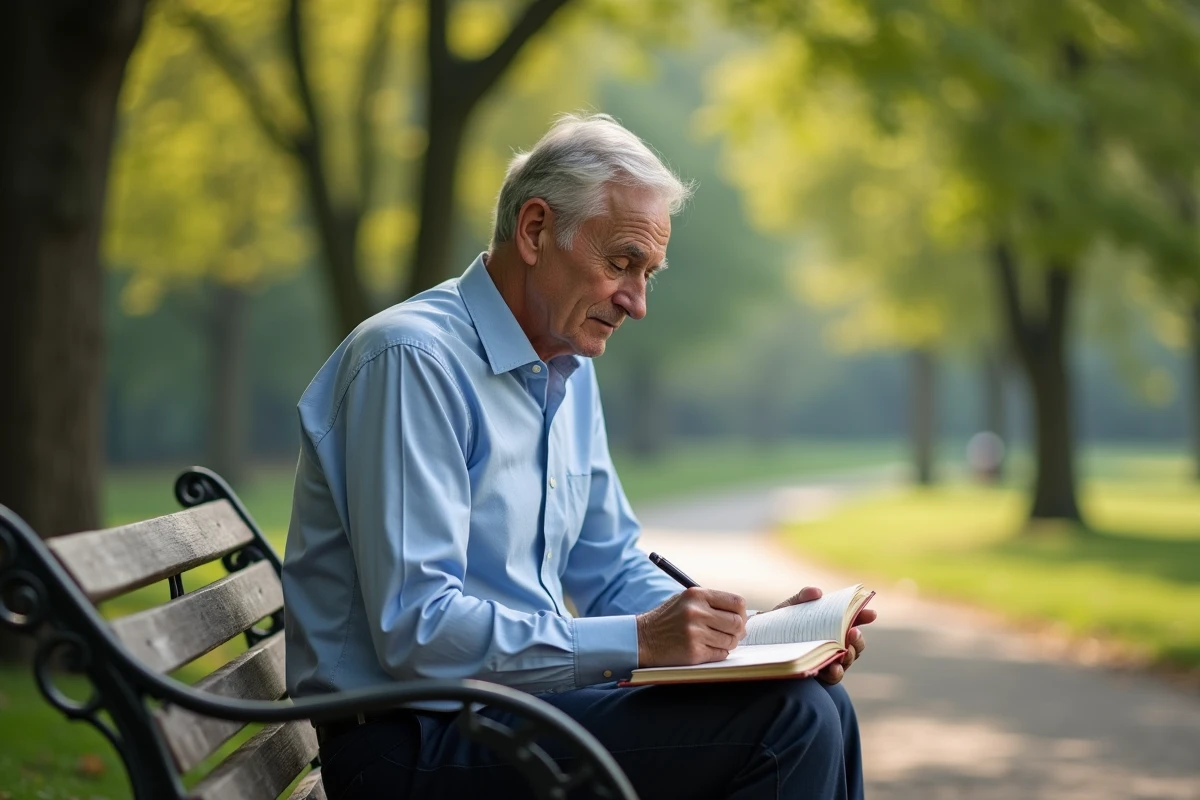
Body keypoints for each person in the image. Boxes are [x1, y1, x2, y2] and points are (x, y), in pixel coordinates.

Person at [282, 112, 874, 799]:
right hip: (405, 747)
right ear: (535, 230)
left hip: (508, 719)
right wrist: (641, 643)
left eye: (648, 272)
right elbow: (418, 630)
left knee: (820, 703)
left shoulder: (567, 364)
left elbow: (611, 567)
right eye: (621, 263)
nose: (638, 302)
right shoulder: (412, 361)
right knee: (789, 722)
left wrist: (745, 639)